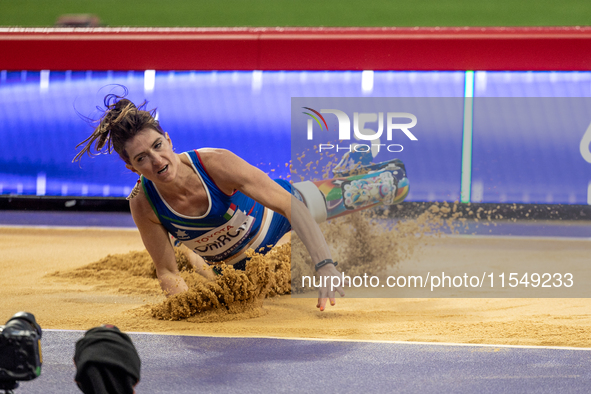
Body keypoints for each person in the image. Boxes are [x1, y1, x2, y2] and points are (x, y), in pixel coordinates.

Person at [73, 93, 344, 311]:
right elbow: (167, 270)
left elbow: (290, 206)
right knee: (199, 264)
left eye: (157, 146)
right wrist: (185, 307)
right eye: (141, 158)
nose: (157, 161)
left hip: (283, 214)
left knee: (377, 188)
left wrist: (325, 265)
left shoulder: (215, 163)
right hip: (239, 265)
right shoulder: (143, 204)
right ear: (131, 167)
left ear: (168, 140)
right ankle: (190, 250)